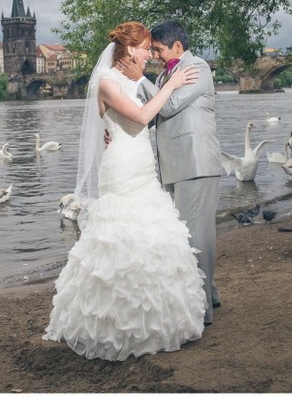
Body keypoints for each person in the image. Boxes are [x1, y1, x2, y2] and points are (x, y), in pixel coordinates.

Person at [43, 21, 207, 361]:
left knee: (150, 235)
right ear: (130, 49)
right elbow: (143, 116)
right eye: (146, 48)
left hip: (142, 166)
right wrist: (173, 82)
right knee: (122, 236)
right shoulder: (106, 83)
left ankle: (157, 321)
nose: (149, 54)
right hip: (121, 170)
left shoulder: (130, 82)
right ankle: (114, 326)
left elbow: (130, 120)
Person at [127, 21, 223, 325]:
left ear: (177, 46)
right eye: (152, 49)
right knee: (183, 236)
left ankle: (202, 310)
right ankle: (211, 295)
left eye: (158, 48)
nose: (154, 54)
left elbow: (169, 107)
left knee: (197, 236)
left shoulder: (198, 68)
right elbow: (153, 115)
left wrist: (139, 78)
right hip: (173, 165)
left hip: (196, 164)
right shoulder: (168, 74)